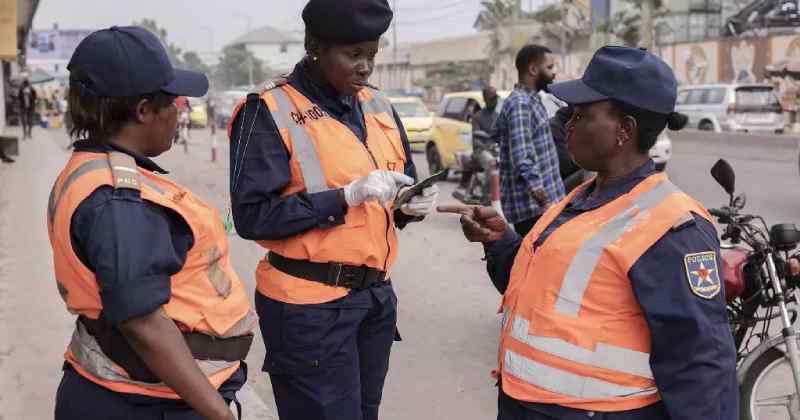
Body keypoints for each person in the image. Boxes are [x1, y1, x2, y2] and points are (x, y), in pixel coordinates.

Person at [439, 46, 738, 419]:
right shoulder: (579, 197)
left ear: (624, 131)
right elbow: (544, 294)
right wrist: (500, 241)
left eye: (581, 115)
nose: (568, 126)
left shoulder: (673, 227)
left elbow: (701, 366)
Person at [227, 1, 438, 419]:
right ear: (314, 47)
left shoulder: (378, 106)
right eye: (353, 54)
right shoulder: (268, 111)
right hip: (308, 308)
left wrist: (409, 208)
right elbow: (252, 217)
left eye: (372, 54)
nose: (365, 67)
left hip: (374, 299)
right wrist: (343, 197)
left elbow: (392, 199)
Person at [48, 26, 256, 420]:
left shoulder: (102, 170)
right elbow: (142, 322)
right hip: (142, 402)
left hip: (140, 394)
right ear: (143, 110)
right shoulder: (118, 199)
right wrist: (221, 415)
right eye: (175, 101)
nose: (181, 112)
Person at [495, 45, 564, 236]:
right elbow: (523, 160)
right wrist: (545, 203)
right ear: (533, 70)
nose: (554, 73)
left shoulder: (531, 101)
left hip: (543, 206)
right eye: (550, 68)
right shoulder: (520, 104)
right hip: (534, 210)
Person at [454, 86, 499, 204]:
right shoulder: (478, 116)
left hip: (496, 149)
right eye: (492, 98)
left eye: (495, 98)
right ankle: (487, 197)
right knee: (492, 163)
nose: (494, 101)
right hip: (481, 151)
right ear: (485, 99)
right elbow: (476, 137)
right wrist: (487, 144)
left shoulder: (498, 116)